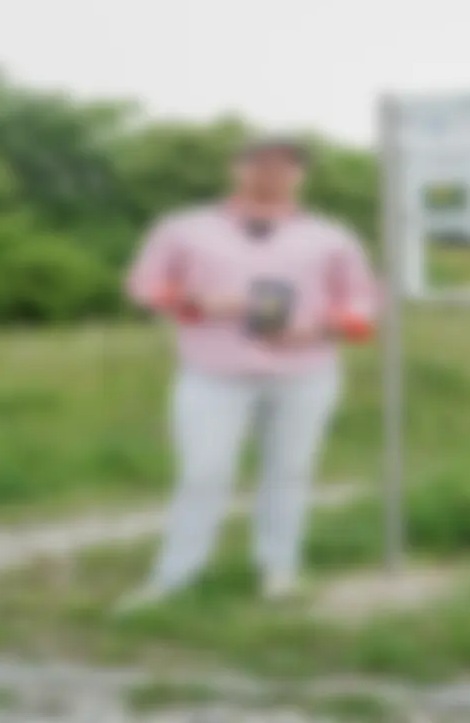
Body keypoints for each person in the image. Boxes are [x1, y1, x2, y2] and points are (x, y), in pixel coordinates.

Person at [120, 136, 378, 608]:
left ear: (299, 175)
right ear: (237, 167)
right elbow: (144, 286)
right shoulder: (187, 230)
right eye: (260, 164)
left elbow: (363, 305)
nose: (271, 174)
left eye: (284, 166)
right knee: (203, 472)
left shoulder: (329, 237)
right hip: (213, 372)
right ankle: (175, 575)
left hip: (304, 373)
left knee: (289, 471)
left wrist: (320, 325)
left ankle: (278, 568)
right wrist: (196, 301)